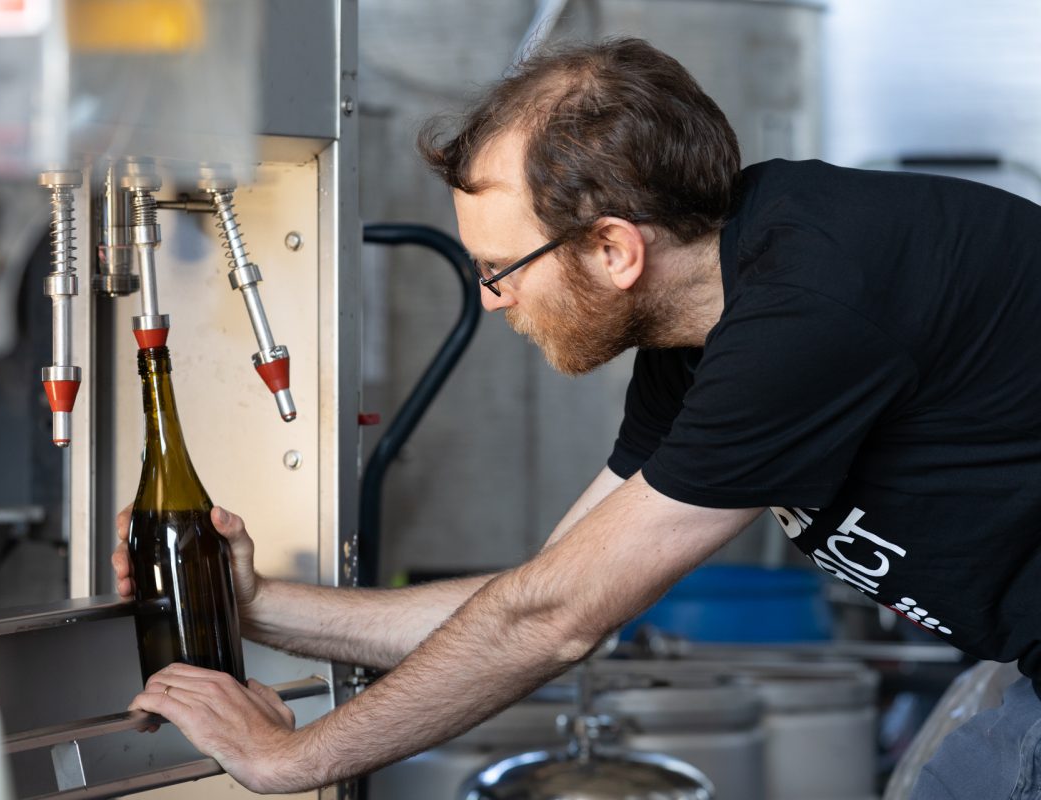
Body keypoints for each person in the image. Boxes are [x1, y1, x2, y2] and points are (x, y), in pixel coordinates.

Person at [115, 37, 1041, 797]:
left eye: (499, 269)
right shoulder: (708, 319)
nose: (490, 301)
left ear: (612, 248)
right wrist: (263, 607)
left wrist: (291, 758)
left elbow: (556, 620)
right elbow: (549, 589)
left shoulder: (808, 308)